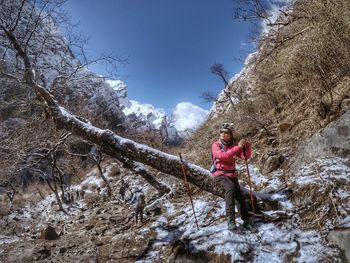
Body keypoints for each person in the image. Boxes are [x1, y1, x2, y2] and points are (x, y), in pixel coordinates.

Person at [211, 123, 255, 231]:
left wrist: (247, 146)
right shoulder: (216, 145)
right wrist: (238, 147)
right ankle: (230, 219)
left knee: (239, 195)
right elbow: (223, 156)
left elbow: (245, 157)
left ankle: (246, 220)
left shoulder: (234, 145)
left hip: (232, 174)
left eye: (226, 132)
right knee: (230, 188)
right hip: (219, 174)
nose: (223, 134)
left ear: (231, 135)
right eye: (221, 132)